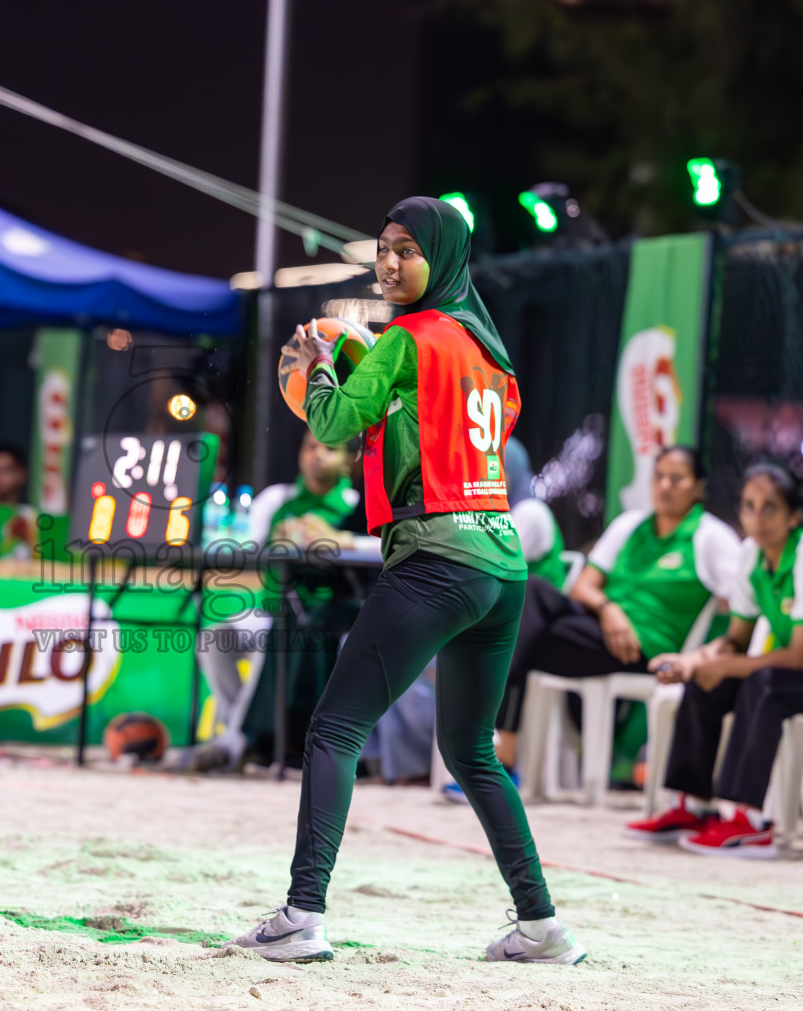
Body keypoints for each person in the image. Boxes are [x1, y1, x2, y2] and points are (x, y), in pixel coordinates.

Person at [228, 197, 586, 965]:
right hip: (501, 563)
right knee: (471, 751)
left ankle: (302, 916)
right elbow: (439, 431)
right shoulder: (492, 354)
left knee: (333, 729)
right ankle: (541, 926)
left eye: (406, 252)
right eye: (383, 249)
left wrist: (317, 370)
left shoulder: (410, 337)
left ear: (441, 260)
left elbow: (329, 425)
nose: (389, 263)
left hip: (438, 558)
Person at [625, 463, 803, 857]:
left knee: (765, 683)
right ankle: (690, 806)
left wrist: (721, 664)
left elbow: (801, 657)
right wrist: (693, 662)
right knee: (710, 680)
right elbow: (736, 640)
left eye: (769, 507)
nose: (757, 517)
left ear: (793, 516)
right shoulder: (752, 556)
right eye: (749, 506)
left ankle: (750, 822)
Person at [494, 446, 740, 771]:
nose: (665, 485)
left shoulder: (711, 537)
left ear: (697, 487)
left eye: (677, 479)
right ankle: (502, 747)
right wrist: (609, 609)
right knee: (529, 597)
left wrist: (703, 653)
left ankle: (496, 740)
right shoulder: (631, 525)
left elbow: (743, 604)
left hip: (643, 647)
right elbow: (583, 586)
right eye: (660, 476)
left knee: (521, 628)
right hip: (600, 627)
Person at [194, 430, 360, 769]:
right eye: (310, 446)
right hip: (269, 607)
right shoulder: (277, 500)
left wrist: (331, 540)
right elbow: (248, 554)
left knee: (272, 640)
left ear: (347, 460)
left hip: (326, 617)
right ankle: (238, 732)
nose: (317, 454)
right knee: (214, 639)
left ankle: (235, 744)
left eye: (329, 448)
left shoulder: (356, 507)